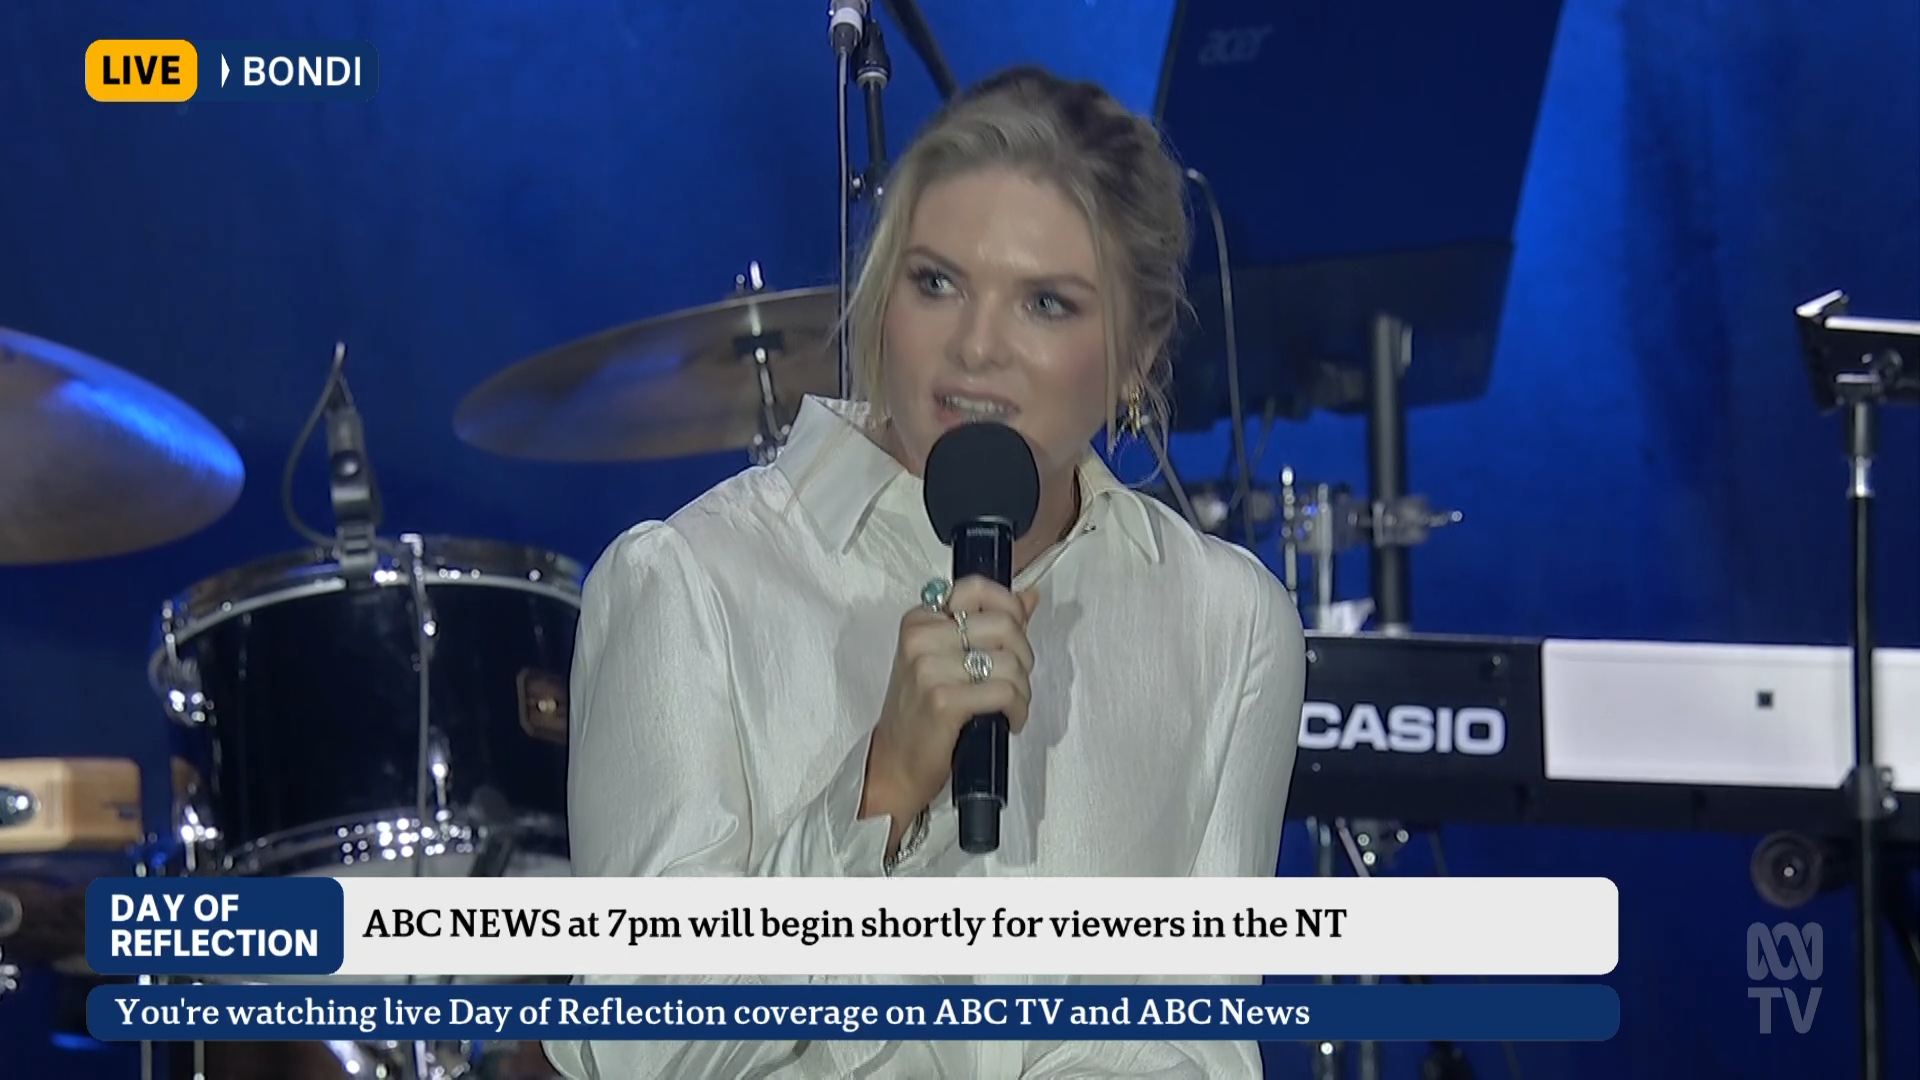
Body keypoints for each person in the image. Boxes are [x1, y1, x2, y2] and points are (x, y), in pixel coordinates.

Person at [543, 66, 1305, 1079]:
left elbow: (1204, 1037)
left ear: (1137, 354)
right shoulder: (690, 583)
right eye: (936, 283)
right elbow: (639, 1044)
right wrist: (881, 791)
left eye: (1046, 303)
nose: (976, 348)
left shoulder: (1228, 619)